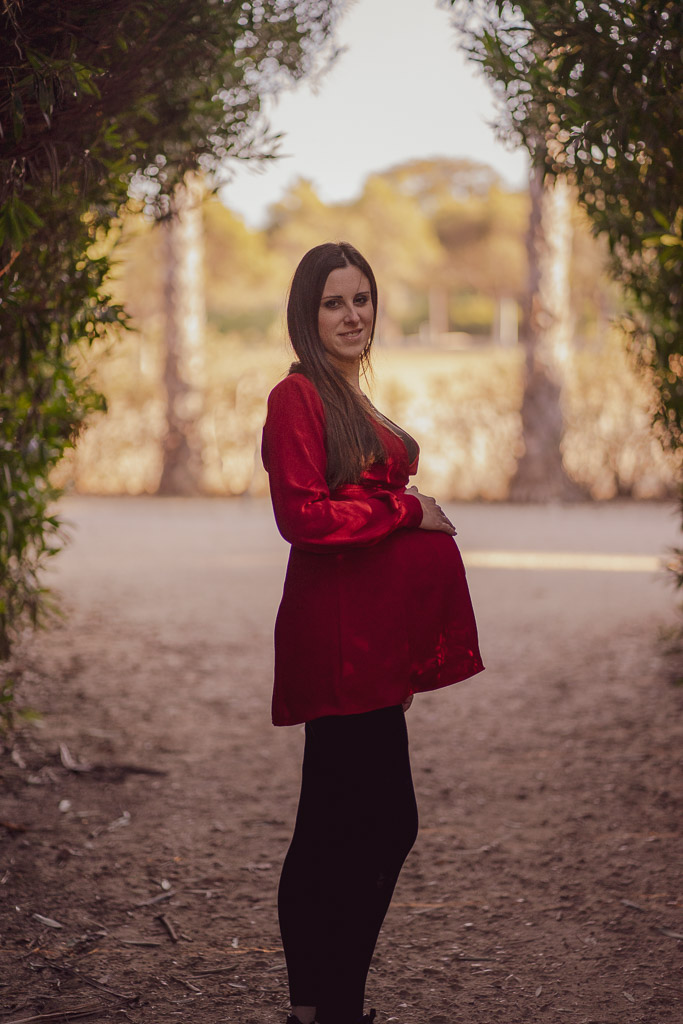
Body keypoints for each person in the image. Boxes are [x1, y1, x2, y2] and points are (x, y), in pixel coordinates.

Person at [261, 242, 484, 1024]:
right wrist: (406, 509)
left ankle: (325, 1008)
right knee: (370, 822)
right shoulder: (296, 397)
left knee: (345, 820)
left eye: (360, 299)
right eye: (333, 302)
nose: (352, 315)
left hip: (371, 643)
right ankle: (325, 1008)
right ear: (305, 313)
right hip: (338, 639)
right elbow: (303, 517)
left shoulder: (347, 393)